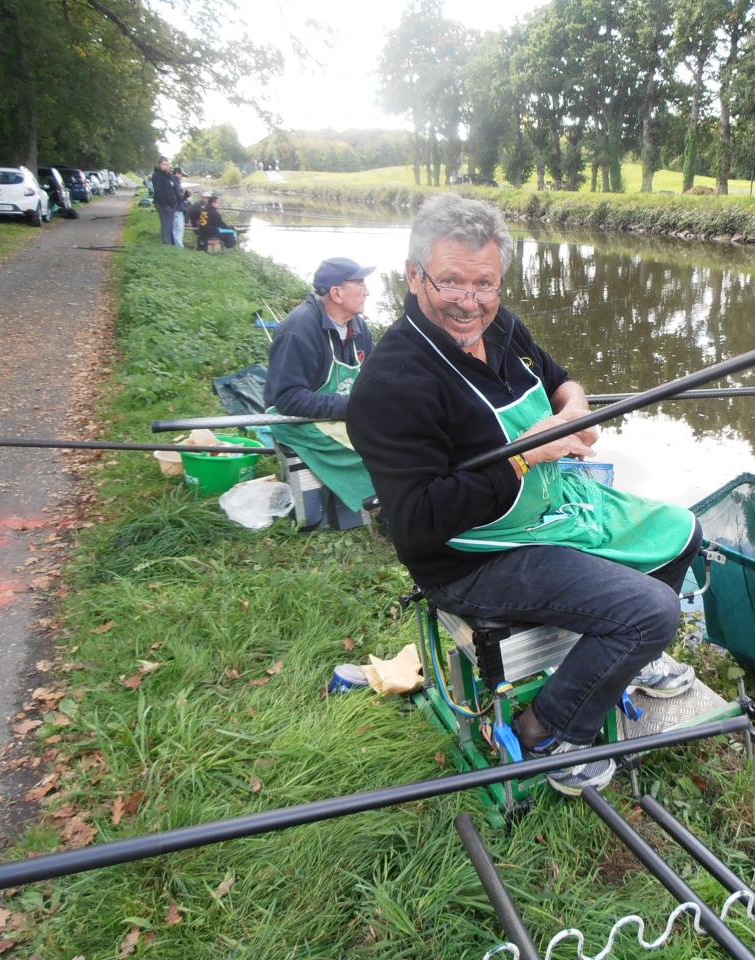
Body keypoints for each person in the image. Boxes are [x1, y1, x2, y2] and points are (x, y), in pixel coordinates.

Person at [347, 194, 700, 796]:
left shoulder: (502, 327)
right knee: (653, 612)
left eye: (485, 283)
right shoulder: (391, 384)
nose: (470, 302)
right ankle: (550, 734)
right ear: (413, 276)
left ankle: (627, 662)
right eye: (451, 281)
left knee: (681, 529)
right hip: (472, 555)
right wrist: (523, 455)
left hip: (548, 506)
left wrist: (577, 410)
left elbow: (564, 383)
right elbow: (417, 524)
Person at [265, 258, 377, 513]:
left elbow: (374, 375)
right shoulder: (298, 330)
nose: (367, 291)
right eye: (359, 284)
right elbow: (288, 399)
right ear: (337, 293)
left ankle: (390, 493)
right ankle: (379, 501)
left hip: (342, 409)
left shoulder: (358, 325)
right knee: (372, 450)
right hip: (295, 419)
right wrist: (352, 408)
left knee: (397, 435)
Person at [150, 157, 180, 246]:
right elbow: (158, 191)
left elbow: (172, 189)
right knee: (166, 225)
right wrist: (165, 205)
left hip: (171, 204)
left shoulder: (168, 175)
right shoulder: (157, 175)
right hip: (163, 204)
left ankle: (170, 244)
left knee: (170, 225)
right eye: (164, 164)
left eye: (167, 164)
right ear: (159, 165)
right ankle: (166, 245)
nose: (166, 166)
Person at [171, 169, 188, 248]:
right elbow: (180, 198)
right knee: (179, 229)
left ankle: (175, 246)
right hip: (177, 209)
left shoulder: (171, 181)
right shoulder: (176, 181)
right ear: (177, 173)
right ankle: (179, 248)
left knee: (174, 229)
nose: (182, 177)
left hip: (173, 208)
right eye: (181, 175)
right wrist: (187, 195)